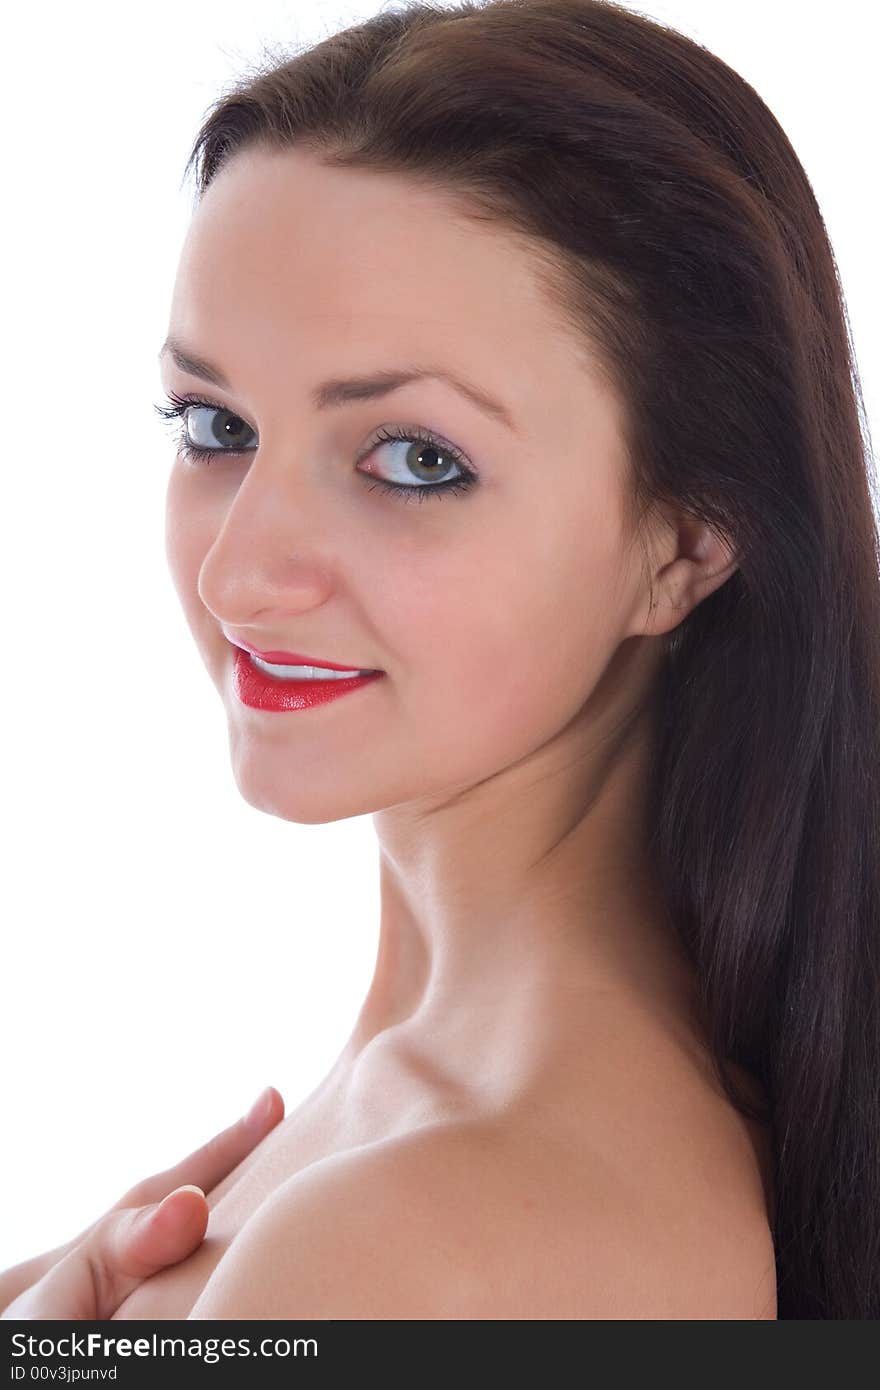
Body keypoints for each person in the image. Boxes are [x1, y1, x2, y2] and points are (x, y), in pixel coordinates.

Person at [3, 0, 878, 1320]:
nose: (240, 574)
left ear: (686, 541)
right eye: (215, 423)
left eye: (417, 460)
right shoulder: (406, 1138)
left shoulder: (425, 1238)